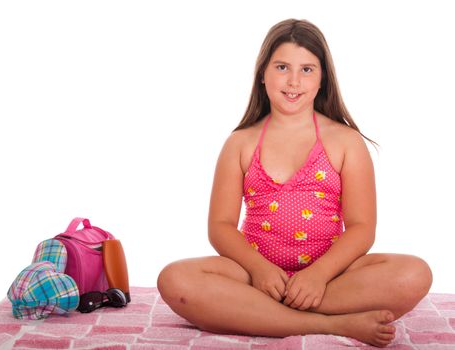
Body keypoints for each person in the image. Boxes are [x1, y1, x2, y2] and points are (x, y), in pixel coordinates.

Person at [157, 18, 432, 348]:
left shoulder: (345, 141)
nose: (293, 80)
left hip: (330, 278)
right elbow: (220, 226)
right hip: (254, 277)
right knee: (174, 278)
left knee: (414, 273)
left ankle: (261, 314)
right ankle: (330, 324)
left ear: (322, 79)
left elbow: (361, 227)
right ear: (263, 74)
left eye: (307, 69)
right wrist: (259, 270)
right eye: (282, 66)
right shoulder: (241, 143)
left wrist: (317, 276)